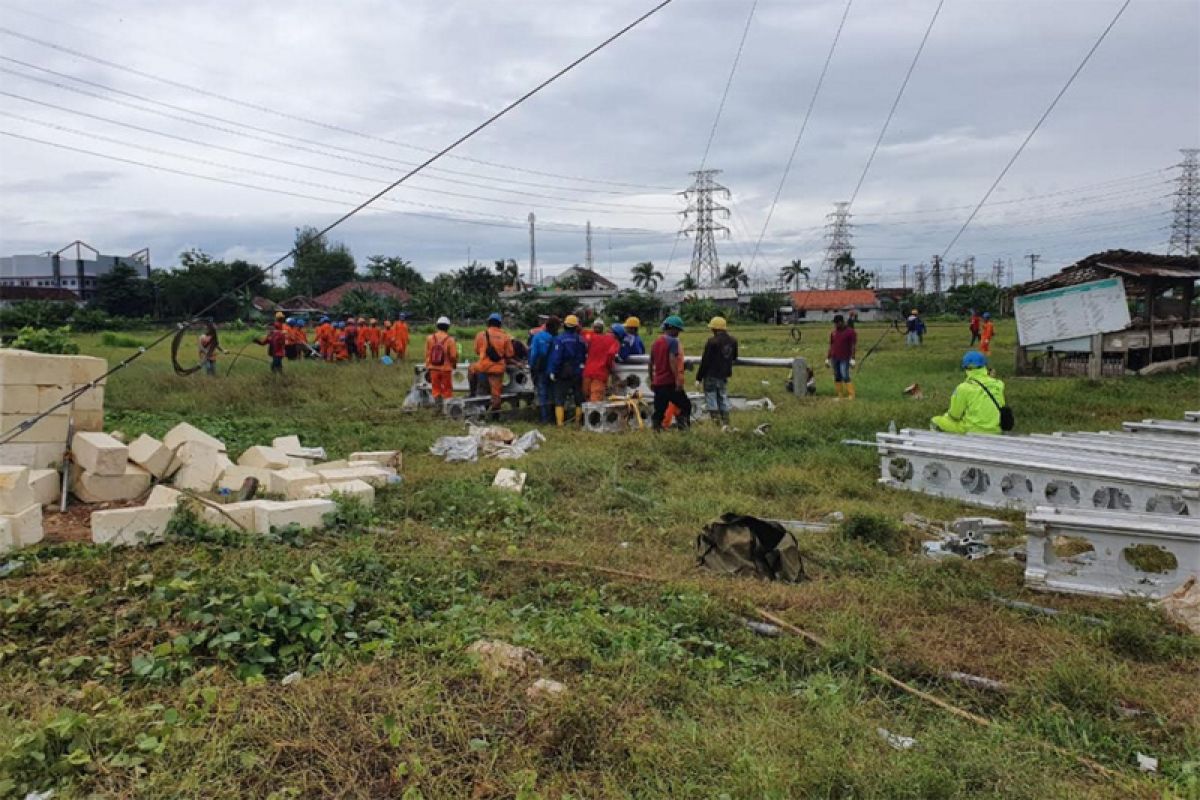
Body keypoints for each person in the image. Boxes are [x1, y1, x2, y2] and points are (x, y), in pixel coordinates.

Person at [931, 351, 1005, 434]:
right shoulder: (999, 384)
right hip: (996, 430)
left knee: (935, 421)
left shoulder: (963, 388)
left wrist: (945, 417)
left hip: (972, 430)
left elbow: (954, 416)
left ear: (966, 368)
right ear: (984, 366)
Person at [649, 315, 690, 430]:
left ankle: (656, 429)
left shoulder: (655, 342)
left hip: (658, 383)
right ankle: (683, 428)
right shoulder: (673, 342)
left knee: (660, 409)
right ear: (672, 328)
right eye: (678, 330)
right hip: (669, 382)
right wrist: (677, 380)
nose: (678, 333)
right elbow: (672, 360)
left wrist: (652, 380)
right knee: (685, 405)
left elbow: (650, 362)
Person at [696, 316, 738, 425]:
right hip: (723, 375)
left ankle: (716, 423)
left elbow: (705, 361)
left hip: (710, 375)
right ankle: (726, 422)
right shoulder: (733, 341)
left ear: (714, 329)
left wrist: (698, 378)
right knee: (723, 398)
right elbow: (734, 357)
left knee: (711, 398)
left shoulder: (712, 342)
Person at [548, 314, 588, 426]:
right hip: (578, 371)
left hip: (563, 372)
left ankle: (560, 424)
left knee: (559, 398)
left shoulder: (559, 339)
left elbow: (557, 357)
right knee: (578, 398)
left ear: (565, 325)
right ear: (576, 327)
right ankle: (577, 422)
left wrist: (553, 371)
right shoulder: (581, 340)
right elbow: (585, 355)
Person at [474, 312, 515, 418]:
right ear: (500, 324)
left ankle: (480, 415)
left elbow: (477, 351)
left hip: (483, 367)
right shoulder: (505, 336)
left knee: (481, 390)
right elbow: (509, 354)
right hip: (497, 369)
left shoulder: (481, 335)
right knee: (496, 393)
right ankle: (495, 416)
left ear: (488, 322)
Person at [529, 316, 561, 423]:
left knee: (542, 393)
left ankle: (544, 418)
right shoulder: (558, 338)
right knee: (554, 393)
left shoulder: (538, 337)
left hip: (541, 369)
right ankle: (554, 418)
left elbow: (534, 354)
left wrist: (532, 366)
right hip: (555, 371)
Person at [425, 316, 459, 410]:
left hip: (433, 368)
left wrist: (428, 366)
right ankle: (447, 408)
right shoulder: (450, 340)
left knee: (435, 389)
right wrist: (454, 364)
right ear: (448, 327)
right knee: (447, 389)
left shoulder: (430, 338)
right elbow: (453, 356)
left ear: (437, 326)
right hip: (446, 369)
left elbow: (427, 354)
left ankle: (437, 407)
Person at [582, 318, 619, 402]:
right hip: (600, 373)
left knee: (586, 398)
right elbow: (610, 355)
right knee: (596, 401)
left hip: (587, 372)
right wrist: (610, 369)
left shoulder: (589, 337)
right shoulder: (612, 341)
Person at [826, 313, 858, 400]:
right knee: (837, 376)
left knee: (845, 375)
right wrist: (827, 358)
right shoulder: (833, 333)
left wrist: (853, 358)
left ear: (841, 322)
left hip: (845, 357)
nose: (835, 325)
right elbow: (831, 345)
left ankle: (851, 395)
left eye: (836, 323)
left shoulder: (850, 332)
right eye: (834, 323)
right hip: (834, 357)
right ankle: (840, 395)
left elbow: (853, 346)